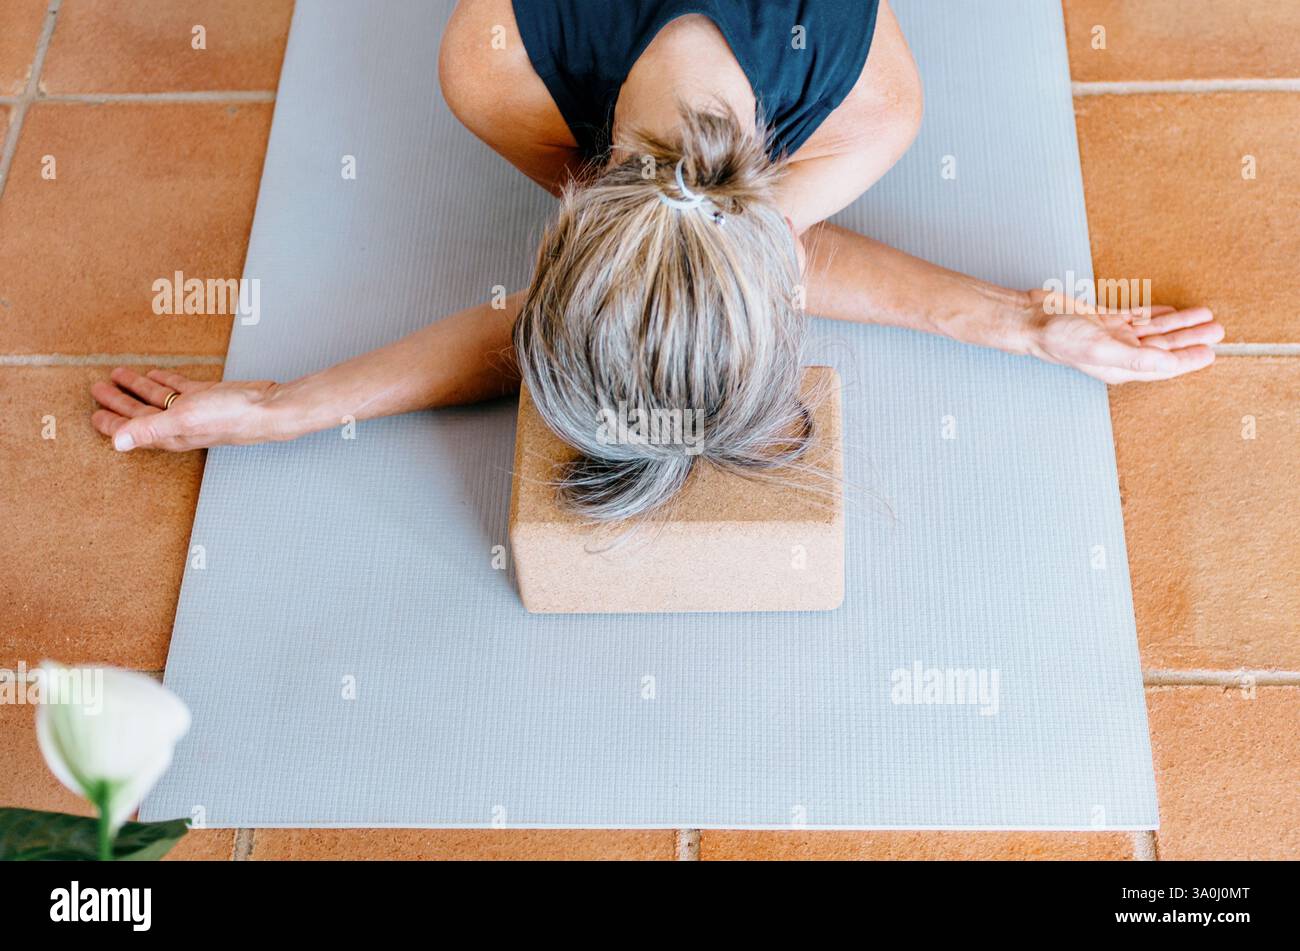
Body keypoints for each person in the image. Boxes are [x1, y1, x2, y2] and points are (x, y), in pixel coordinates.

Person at [91, 0, 1221, 519]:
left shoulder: (498, 69)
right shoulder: (489, 63)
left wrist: (1024, 324)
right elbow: (673, 262)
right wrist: (288, 408)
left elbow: (712, 253)